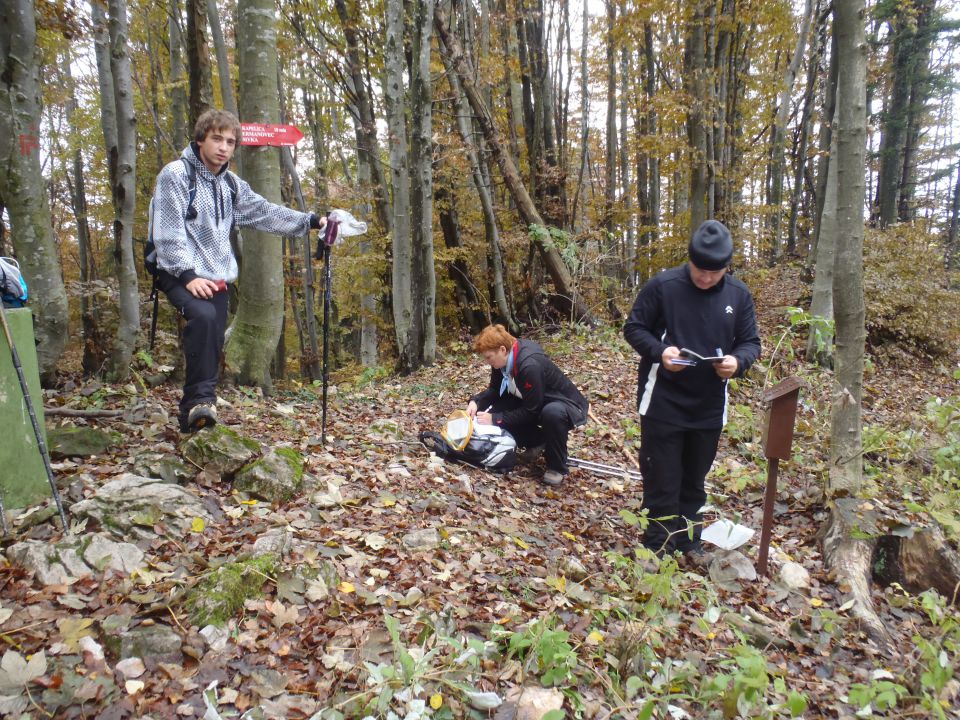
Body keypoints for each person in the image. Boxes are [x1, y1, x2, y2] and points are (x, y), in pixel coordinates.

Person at [151, 109, 326, 433]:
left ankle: (195, 413)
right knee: (202, 319)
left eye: (230, 141)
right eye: (217, 138)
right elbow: (168, 231)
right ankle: (202, 402)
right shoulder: (176, 175)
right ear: (201, 138)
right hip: (177, 272)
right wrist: (188, 276)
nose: (223, 147)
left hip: (216, 276)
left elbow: (264, 212)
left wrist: (311, 221)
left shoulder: (230, 185)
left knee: (213, 339)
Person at [623, 219, 761, 560]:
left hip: (709, 404)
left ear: (727, 267)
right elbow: (634, 328)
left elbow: (750, 343)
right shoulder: (663, 286)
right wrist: (660, 351)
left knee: (694, 478)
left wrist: (736, 362)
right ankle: (656, 546)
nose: (705, 277)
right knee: (661, 474)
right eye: (699, 269)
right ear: (690, 260)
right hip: (663, 401)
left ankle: (689, 542)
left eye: (714, 272)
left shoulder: (738, 295)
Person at [467, 324, 588, 486]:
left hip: (563, 403)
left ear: (502, 350)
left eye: (489, 357)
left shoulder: (529, 365)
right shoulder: (502, 361)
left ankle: (556, 467)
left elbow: (531, 411)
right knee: (496, 413)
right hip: (531, 399)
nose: (488, 362)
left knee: (551, 413)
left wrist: (495, 419)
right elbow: (496, 389)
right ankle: (538, 441)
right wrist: (476, 402)